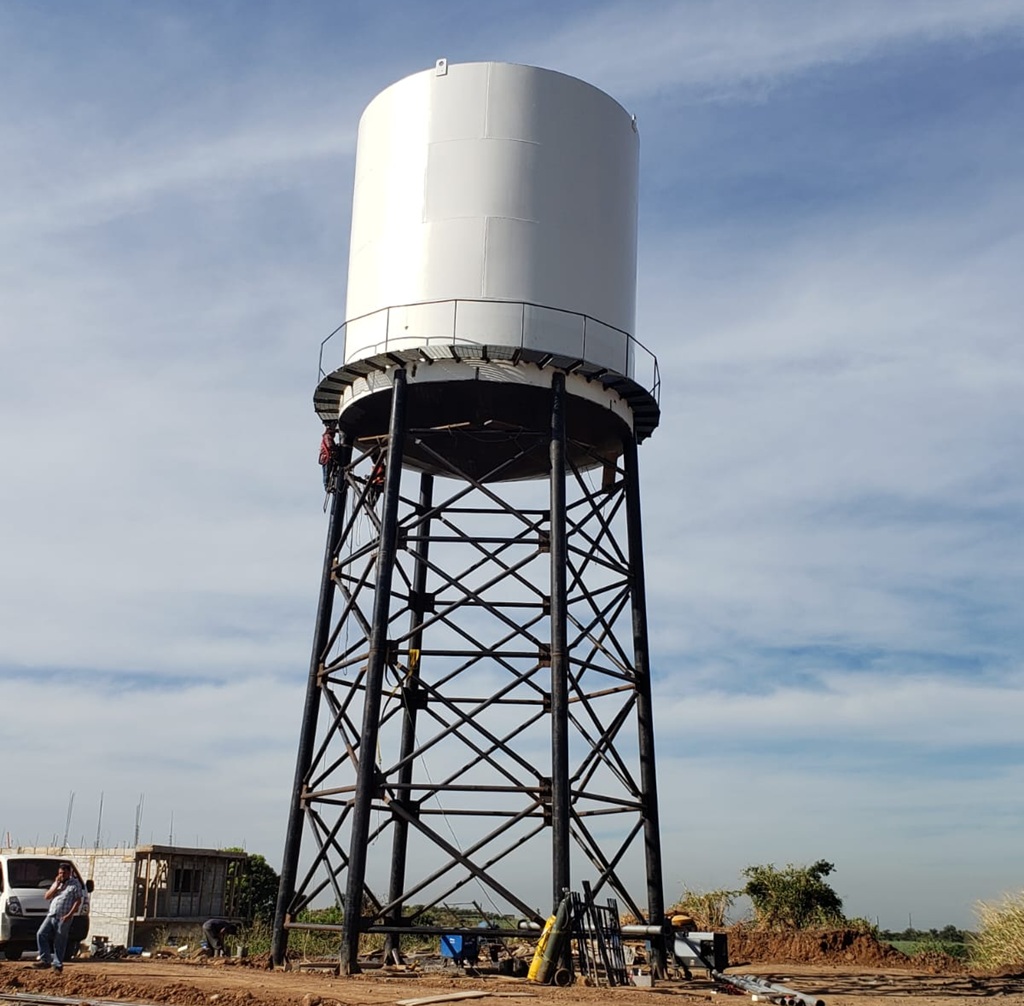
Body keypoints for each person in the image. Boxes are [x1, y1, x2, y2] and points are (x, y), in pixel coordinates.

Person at [32, 861, 83, 973]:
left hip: (64, 916)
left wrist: (69, 915)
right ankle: (45, 959)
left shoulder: (75, 884)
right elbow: (47, 896)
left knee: (60, 940)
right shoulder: (57, 883)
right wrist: (56, 886)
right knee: (41, 934)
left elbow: (78, 900)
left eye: (64, 873)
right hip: (52, 914)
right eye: (60, 873)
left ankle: (58, 964)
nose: (62, 875)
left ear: (69, 873)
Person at [319, 424, 338, 491]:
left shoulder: (328, 437)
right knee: (327, 473)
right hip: (327, 458)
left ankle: (330, 485)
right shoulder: (327, 436)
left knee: (330, 472)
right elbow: (330, 446)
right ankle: (327, 486)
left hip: (328, 457)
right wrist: (337, 448)